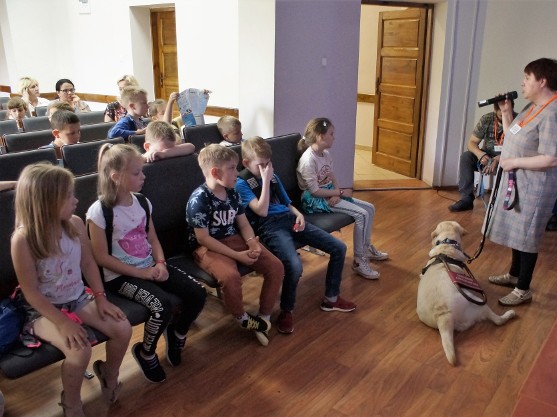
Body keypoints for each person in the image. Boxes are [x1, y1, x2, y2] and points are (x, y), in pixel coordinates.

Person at [11, 163, 132, 416]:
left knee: (122, 328)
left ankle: (109, 375)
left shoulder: (75, 223)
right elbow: (31, 291)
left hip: (76, 296)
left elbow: (88, 263)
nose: (76, 200)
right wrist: (63, 323)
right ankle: (72, 401)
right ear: (46, 201)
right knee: (79, 352)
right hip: (43, 309)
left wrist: (100, 298)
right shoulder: (23, 239)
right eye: (68, 195)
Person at [86, 144, 206, 383]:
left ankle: (178, 332)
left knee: (197, 293)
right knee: (161, 306)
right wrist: (142, 273)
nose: (143, 176)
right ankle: (146, 352)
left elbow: (152, 237)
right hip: (120, 277)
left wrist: (160, 263)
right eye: (136, 173)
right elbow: (101, 257)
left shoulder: (142, 202)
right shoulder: (99, 211)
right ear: (116, 177)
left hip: (150, 266)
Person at [236, 137, 356, 335]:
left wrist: (298, 214)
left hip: (289, 219)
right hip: (269, 227)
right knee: (294, 265)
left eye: (268, 163)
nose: (266, 168)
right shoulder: (242, 183)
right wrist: (265, 181)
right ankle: (286, 310)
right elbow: (262, 211)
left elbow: (287, 203)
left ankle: (331, 298)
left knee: (339, 247)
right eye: (261, 165)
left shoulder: (273, 176)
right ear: (246, 163)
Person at [485, 58, 557, 306]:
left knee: (527, 233)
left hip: (537, 185)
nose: (522, 83)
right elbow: (515, 133)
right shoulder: (534, 105)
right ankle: (514, 275)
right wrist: (505, 112)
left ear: (542, 81)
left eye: (527, 78)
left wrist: (514, 163)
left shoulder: (556, 111)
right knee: (517, 230)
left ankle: (523, 288)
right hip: (520, 180)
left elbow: (553, 158)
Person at [187, 144, 284, 345]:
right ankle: (242, 318)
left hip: (233, 239)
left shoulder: (232, 192)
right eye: (232, 168)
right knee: (230, 277)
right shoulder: (199, 200)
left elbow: (243, 223)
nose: (237, 172)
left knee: (275, 266)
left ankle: (263, 316)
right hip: (209, 247)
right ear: (215, 172)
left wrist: (252, 243)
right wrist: (238, 255)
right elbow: (203, 239)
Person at [297, 117, 388, 280]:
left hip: (328, 193)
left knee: (370, 208)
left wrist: (337, 190)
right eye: (331, 134)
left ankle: (366, 248)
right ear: (320, 136)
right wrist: (336, 194)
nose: (334, 137)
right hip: (314, 200)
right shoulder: (308, 160)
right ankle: (360, 260)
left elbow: (331, 175)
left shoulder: (325, 154)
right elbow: (315, 191)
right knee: (362, 214)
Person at [449, 101, 517, 212]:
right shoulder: (487, 119)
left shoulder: (518, 121)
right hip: (486, 156)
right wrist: (481, 155)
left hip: (507, 157)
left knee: (515, 165)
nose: (504, 117)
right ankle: (466, 199)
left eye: (507, 113)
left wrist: (498, 159)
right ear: (495, 110)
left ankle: (503, 201)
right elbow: (471, 143)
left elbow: (517, 149)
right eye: (501, 115)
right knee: (467, 157)